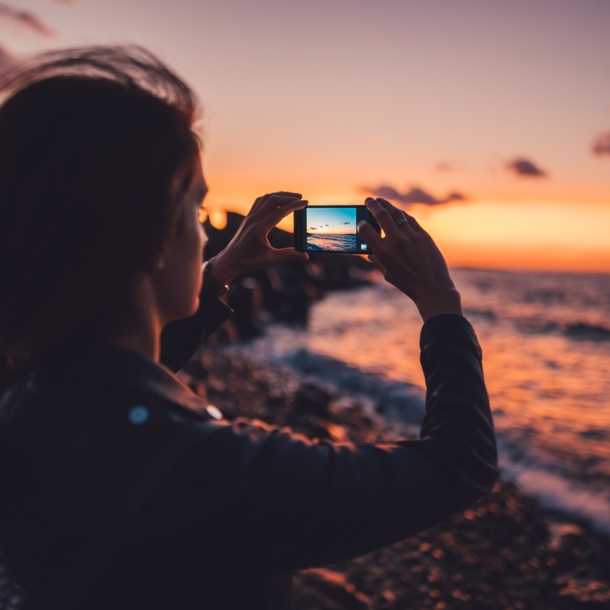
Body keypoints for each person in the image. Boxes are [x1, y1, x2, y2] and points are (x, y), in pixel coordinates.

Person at [0, 46, 497, 610]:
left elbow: (112, 373)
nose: (206, 231)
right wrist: (441, 306)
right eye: (195, 210)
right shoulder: (202, 468)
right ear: (151, 240)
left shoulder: (32, 390)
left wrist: (221, 272)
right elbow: (459, 465)